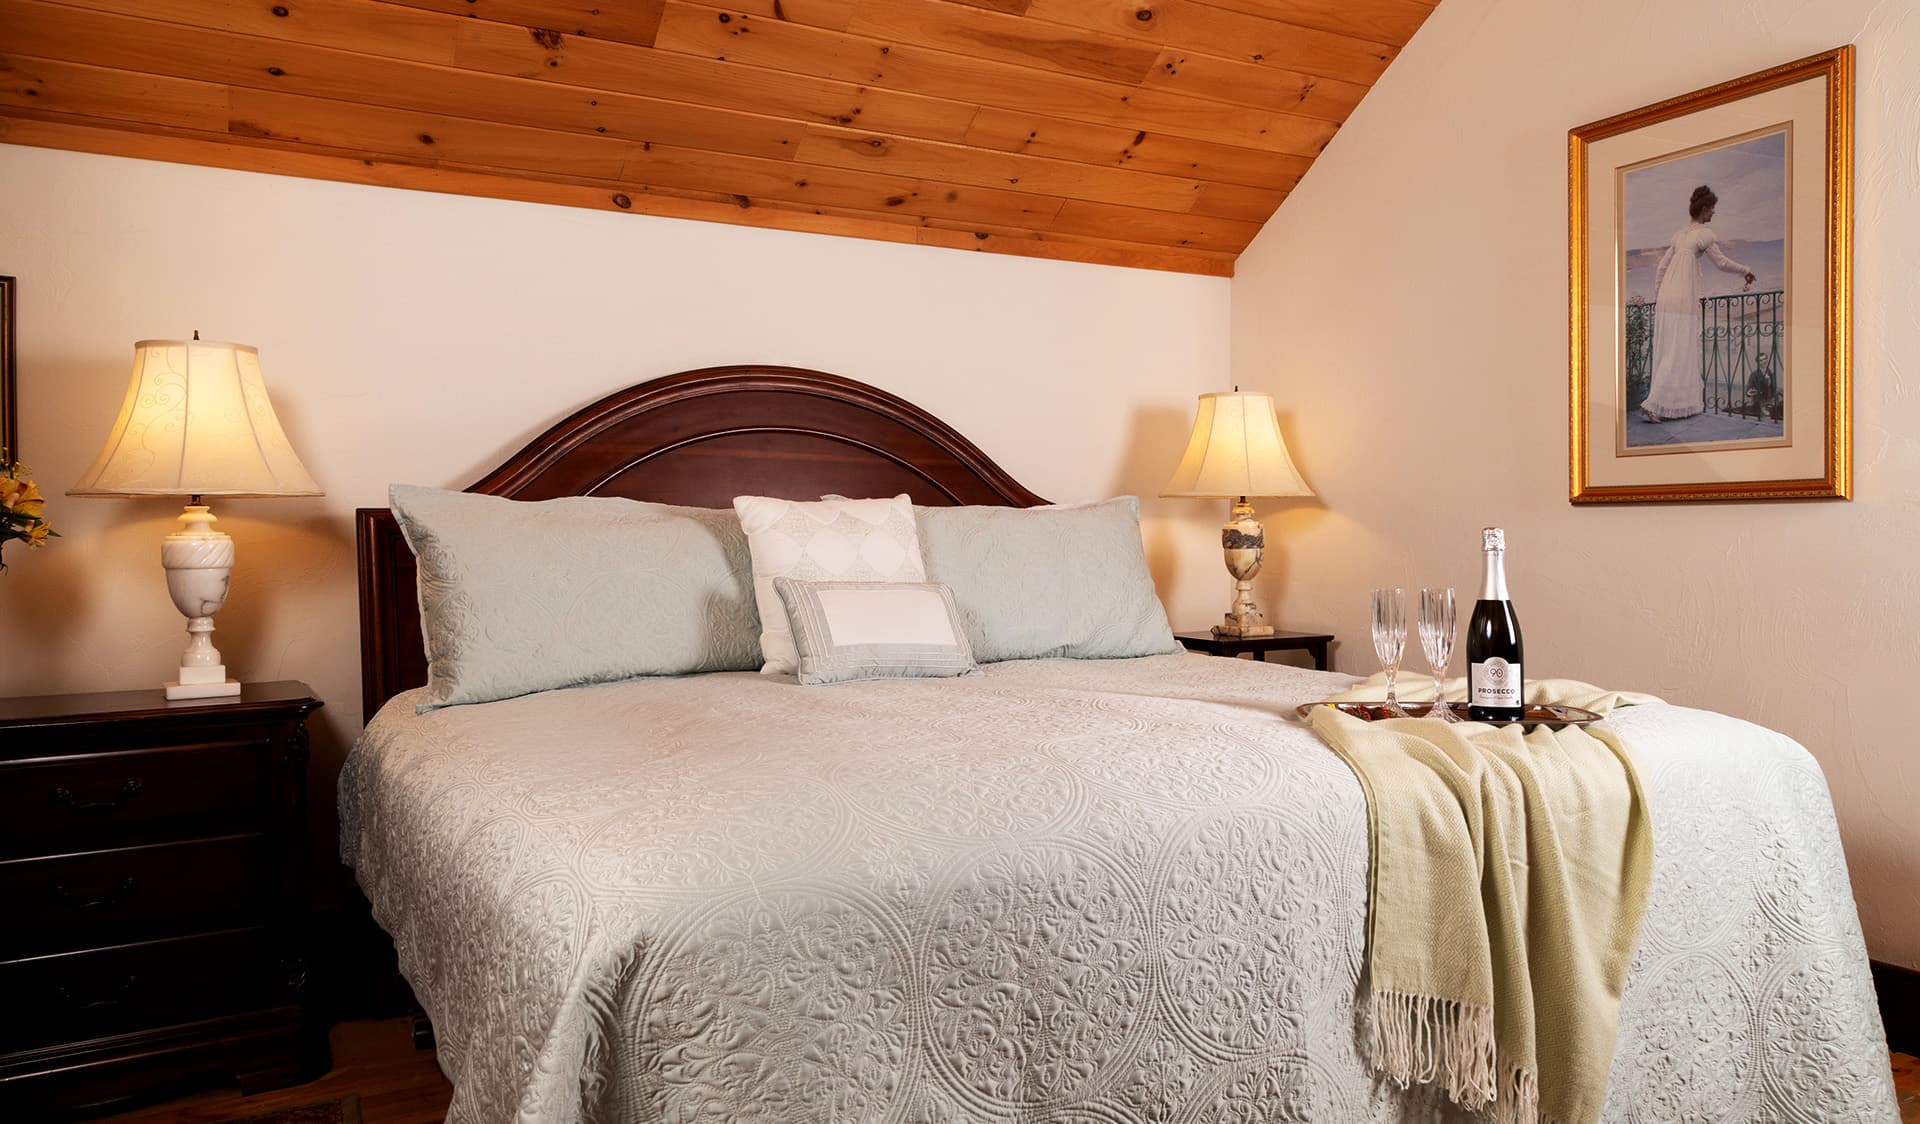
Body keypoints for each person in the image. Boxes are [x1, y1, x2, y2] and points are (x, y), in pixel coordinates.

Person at [1640, 185, 1755, 422]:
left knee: (1670, 349)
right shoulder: (1704, 234)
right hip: (1682, 296)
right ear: (1704, 210)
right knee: (1678, 350)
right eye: (1712, 209)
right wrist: (1746, 270)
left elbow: (1662, 268)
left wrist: (1659, 295)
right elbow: (1721, 263)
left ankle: (1676, 403)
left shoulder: (1680, 235)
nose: (1714, 214)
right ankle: (1653, 402)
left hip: (1667, 297)